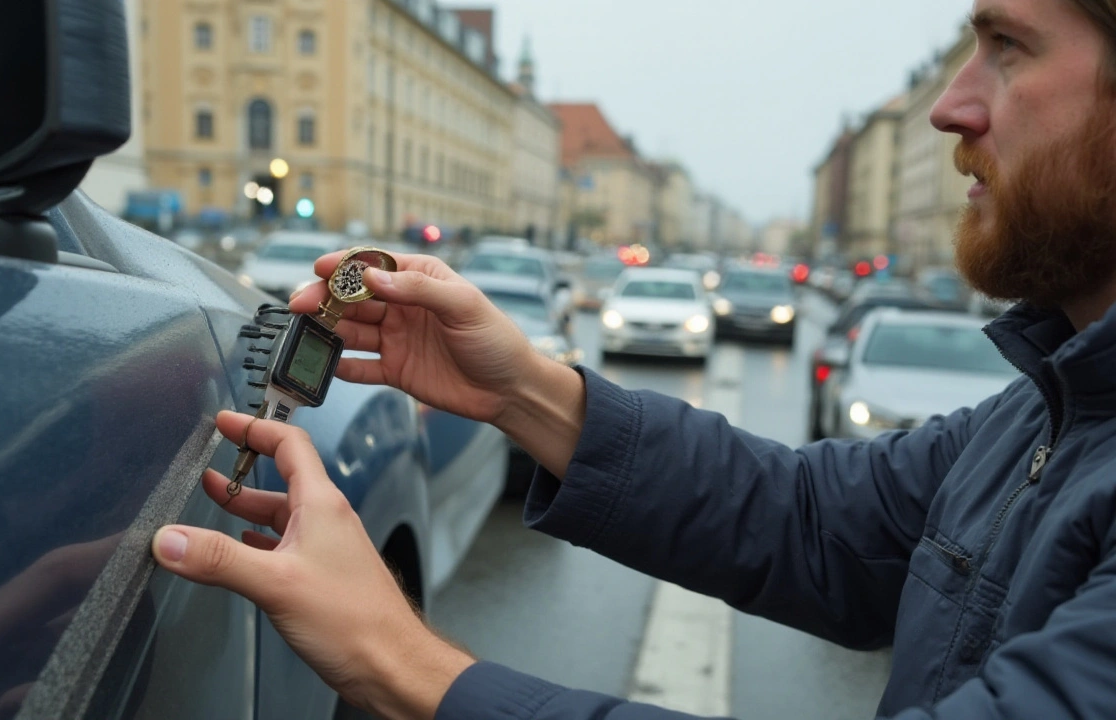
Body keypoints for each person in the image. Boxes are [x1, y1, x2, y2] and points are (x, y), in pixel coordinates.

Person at [151, 0, 1116, 717]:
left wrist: (399, 662)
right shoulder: (1054, 401)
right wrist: (522, 387)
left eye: (1008, 47)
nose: (951, 107)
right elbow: (816, 522)